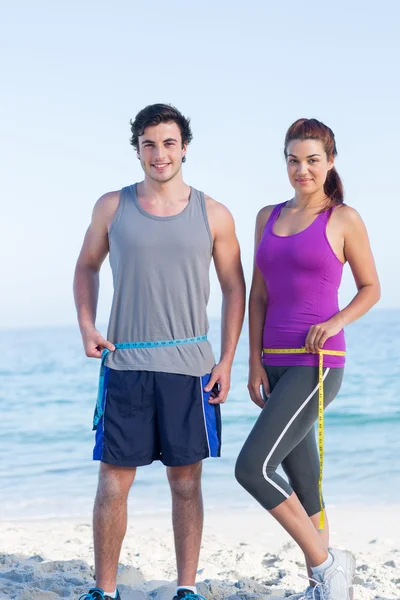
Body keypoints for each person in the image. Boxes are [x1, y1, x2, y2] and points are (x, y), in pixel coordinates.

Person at [73, 103, 246, 600]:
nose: (159, 153)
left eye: (169, 143)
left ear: (185, 147)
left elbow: (235, 288)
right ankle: (103, 591)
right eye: (149, 144)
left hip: (191, 370)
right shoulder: (113, 206)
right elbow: (85, 266)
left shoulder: (214, 213)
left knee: (186, 485)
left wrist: (228, 360)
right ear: (138, 150)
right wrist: (88, 325)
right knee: (112, 485)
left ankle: (186, 587)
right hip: (125, 364)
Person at [235, 118, 380, 600]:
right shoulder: (266, 216)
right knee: (305, 483)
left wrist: (336, 321)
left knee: (252, 468)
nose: (303, 169)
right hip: (273, 364)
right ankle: (325, 588)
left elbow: (370, 288)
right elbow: (258, 296)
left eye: (313, 160)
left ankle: (327, 563)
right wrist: (253, 362)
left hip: (315, 365)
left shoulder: (343, 218)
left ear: (330, 161)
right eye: (294, 160)